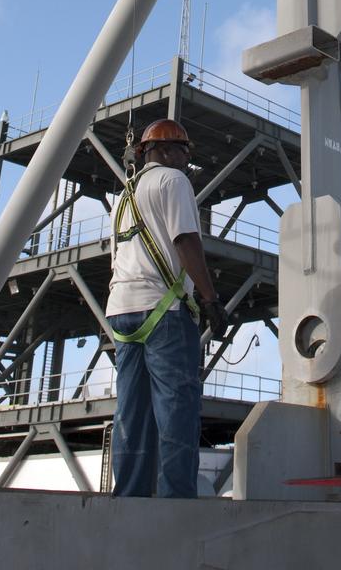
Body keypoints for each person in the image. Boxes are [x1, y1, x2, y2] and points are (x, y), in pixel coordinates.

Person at [106, 118, 227, 498]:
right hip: (164, 313)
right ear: (170, 150)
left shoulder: (125, 195)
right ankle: (177, 503)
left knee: (132, 413)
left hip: (122, 312)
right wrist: (210, 299)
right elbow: (186, 240)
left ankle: (130, 498)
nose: (185, 161)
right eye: (184, 152)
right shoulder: (173, 181)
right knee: (177, 409)